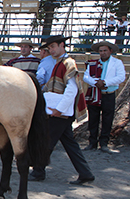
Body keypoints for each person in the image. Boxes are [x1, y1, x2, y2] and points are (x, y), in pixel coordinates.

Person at [30, 35, 95, 185]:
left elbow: (72, 90)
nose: (51, 50)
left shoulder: (68, 63)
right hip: (62, 111)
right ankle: (86, 173)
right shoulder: (60, 63)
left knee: (47, 140)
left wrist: (59, 110)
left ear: (61, 45)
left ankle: (38, 171)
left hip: (60, 113)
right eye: (49, 48)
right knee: (70, 144)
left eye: (53, 47)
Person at [83, 41, 125, 153]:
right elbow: (86, 77)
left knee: (107, 119)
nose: (103, 53)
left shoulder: (117, 63)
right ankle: (92, 142)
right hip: (95, 93)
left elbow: (121, 77)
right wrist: (96, 82)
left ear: (110, 51)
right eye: (101, 51)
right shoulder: (92, 63)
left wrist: (105, 82)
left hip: (108, 94)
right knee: (93, 119)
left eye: (105, 50)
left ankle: (104, 143)